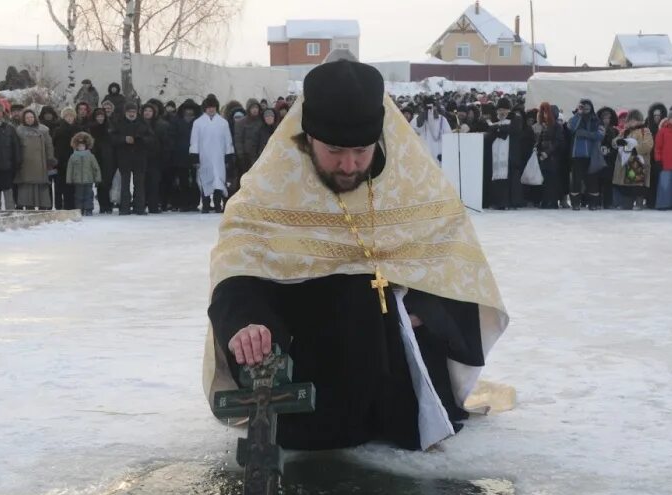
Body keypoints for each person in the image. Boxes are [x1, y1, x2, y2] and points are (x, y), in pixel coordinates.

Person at [205, 60, 508, 452]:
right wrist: (247, 324)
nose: (349, 165)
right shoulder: (269, 192)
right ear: (307, 136)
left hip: (406, 404)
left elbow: (454, 266)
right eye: (334, 151)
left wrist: (427, 312)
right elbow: (240, 273)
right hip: (319, 405)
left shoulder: (416, 185)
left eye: (361, 151)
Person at [190, 95, 234, 214]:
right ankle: (205, 204)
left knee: (219, 180)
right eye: (209, 107)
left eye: (213, 107)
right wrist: (194, 156)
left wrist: (228, 155)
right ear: (205, 108)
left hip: (219, 157)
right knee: (205, 180)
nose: (211, 109)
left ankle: (218, 204)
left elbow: (227, 140)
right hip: (204, 157)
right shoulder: (198, 123)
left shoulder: (223, 123)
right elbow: (194, 140)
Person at [110, 101, 153, 215]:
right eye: (129, 111)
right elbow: (112, 138)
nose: (132, 113)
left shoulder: (143, 123)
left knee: (139, 184)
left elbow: (151, 139)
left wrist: (140, 139)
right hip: (124, 158)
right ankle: (124, 208)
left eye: (133, 111)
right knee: (125, 184)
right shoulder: (119, 123)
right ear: (125, 112)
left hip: (140, 158)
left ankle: (139, 208)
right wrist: (124, 139)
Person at [482, 98, 523, 210]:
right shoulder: (495, 121)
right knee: (497, 178)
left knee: (509, 179)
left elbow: (514, 129)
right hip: (496, 156)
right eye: (500, 110)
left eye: (504, 109)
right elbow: (490, 134)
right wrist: (497, 129)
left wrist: (498, 129)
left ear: (509, 110)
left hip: (510, 157)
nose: (502, 112)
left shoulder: (515, 119)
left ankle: (509, 202)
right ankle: (498, 202)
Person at [612, 109, 654, 210]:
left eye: (633, 120)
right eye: (630, 120)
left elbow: (648, 145)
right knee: (626, 186)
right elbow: (614, 142)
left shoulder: (645, 131)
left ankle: (639, 203)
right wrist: (619, 142)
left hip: (638, 161)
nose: (631, 123)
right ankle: (627, 204)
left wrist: (636, 149)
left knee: (638, 185)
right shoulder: (625, 132)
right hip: (625, 162)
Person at [14, 109, 56, 210]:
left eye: (31, 117)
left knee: (41, 184)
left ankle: (43, 206)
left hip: (40, 163)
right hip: (26, 164)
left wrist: (50, 159)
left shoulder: (44, 130)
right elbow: (16, 146)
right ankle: (29, 206)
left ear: (35, 118)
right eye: (27, 118)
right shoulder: (19, 130)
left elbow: (49, 145)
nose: (29, 119)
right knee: (27, 185)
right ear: (24, 119)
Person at [567, 98, 603, 211]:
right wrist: (578, 114)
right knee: (576, 180)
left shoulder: (596, 121)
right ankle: (575, 203)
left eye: (588, 106)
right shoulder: (575, 118)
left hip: (591, 155)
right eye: (583, 106)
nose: (585, 108)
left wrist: (585, 134)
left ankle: (593, 204)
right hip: (577, 155)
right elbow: (571, 128)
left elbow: (600, 135)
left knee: (592, 180)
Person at [534, 101, 565, 209]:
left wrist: (547, 153)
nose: (545, 115)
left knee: (552, 180)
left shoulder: (557, 126)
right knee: (546, 179)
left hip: (552, 157)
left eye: (547, 113)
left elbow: (558, 142)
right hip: (544, 156)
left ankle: (552, 202)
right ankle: (546, 201)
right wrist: (537, 150)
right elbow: (540, 140)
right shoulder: (545, 126)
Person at [172, 99, 200, 211]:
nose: (188, 113)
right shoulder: (177, 121)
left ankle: (194, 203)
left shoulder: (198, 122)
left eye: (191, 110)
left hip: (195, 155)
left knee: (195, 180)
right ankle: (183, 203)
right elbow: (173, 137)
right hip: (180, 154)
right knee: (183, 180)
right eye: (186, 110)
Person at [66, 131, 102, 216]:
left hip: (88, 180)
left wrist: (97, 178)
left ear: (86, 146)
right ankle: (79, 209)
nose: (81, 147)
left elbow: (96, 168)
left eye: (83, 146)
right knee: (78, 196)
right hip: (77, 181)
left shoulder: (90, 156)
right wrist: (69, 179)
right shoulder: (73, 156)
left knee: (89, 196)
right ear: (76, 147)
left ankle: (88, 209)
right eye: (79, 146)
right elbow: (70, 169)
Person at [51, 107, 79, 210]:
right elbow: (54, 144)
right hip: (61, 161)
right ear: (64, 117)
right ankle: (58, 207)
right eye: (67, 116)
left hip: (74, 160)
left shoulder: (77, 129)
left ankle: (70, 206)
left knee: (71, 186)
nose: (69, 118)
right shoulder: (58, 130)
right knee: (59, 186)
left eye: (71, 116)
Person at [88, 108, 115, 213]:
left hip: (108, 157)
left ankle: (108, 205)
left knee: (107, 183)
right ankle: (103, 205)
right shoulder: (91, 128)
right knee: (100, 183)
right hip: (96, 157)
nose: (100, 118)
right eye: (98, 116)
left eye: (102, 116)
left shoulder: (109, 126)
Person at [235, 99, 265, 177]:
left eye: (256, 107)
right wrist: (241, 155)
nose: (255, 110)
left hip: (258, 156)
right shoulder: (241, 123)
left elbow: (263, 139)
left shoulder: (262, 122)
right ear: (248, 109)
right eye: (252, 108)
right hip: (246, 157)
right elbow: (238, 140)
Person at [597, 107, 619, 208]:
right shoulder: (597, 129)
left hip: (610, 160)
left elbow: (616, 146)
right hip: (599, 159)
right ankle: (597, 202)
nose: (606, 120)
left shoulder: (614, 131)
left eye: (608, 118)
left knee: (608, 182)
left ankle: (608, 202)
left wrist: (610, 152)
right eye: (604, 118)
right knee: (598, 181)